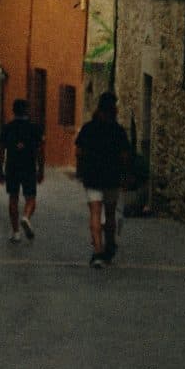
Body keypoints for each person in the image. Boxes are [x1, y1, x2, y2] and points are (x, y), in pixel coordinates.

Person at [75, 91, 131, 268]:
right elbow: (124, 156)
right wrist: (125, 175)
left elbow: (79, 152)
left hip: (92, 176)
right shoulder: (118, 131)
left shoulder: (88, 128)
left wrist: (82, 169)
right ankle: (109, 246)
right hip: (112, 177)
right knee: (111, 215)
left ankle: (97, 251)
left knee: (95, 214)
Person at [0, 98, 45, 242]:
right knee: (31, 198)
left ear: (13, 111)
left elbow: (0, 151)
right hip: (29, 167)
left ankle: (16, 232)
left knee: (13, 198)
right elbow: (40, 151)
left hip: (12, 167)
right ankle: (25, 217)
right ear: (27, 111)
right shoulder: (35, 128)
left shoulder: (7, 128)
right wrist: (41, 170)